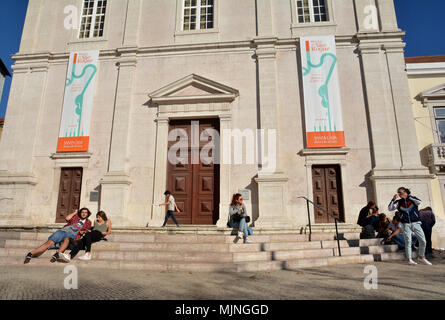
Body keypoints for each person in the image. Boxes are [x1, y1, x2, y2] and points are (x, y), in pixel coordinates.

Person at [23, 208, 92, 264]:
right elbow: (67, 218)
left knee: (67, 239)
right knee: (49, 243)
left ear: (88, 214)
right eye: (82, 212)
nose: (84, 214)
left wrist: (83, 232)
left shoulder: (88, 222)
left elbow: (87, 230)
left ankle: (57, 254)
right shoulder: (76, 217)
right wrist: (74, 213)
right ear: (80, 213)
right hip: (63, 231)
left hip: (72, 235)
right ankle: (30, 254)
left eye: (85, 212)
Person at [388, 187, 432, 265]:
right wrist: (393, 199)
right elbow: (390, 208)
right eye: (398, 192)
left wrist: (408, 196)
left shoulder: (412, 199)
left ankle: (421, 257)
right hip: (405, 224)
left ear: (405, 192)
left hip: (416, 222)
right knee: (408, 241)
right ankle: (409, 259)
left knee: (423, 240)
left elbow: (419, 202)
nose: (399, 194)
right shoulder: (398, 202)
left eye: (400, 192)